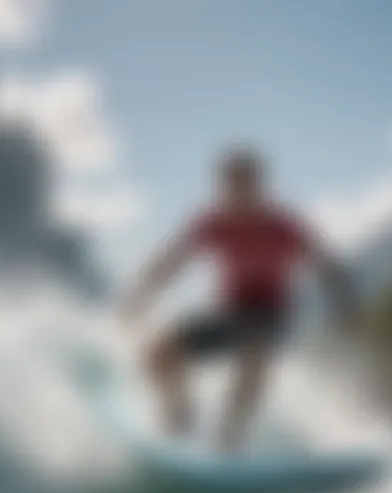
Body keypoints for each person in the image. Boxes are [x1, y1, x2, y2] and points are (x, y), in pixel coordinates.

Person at [122, 147, 357, 453]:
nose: (239, 195)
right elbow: (172, 261)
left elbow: (329, 267)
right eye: (231, 186)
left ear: (260, 187)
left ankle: (231, 439)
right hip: (230, 312)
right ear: (222, 188)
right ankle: (179, 419)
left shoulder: (284, 226)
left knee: (255, 355)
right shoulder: (212, 223)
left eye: (247, 185)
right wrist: (140, 295)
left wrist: (346, 308)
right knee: (157, 355)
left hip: (271, 312)